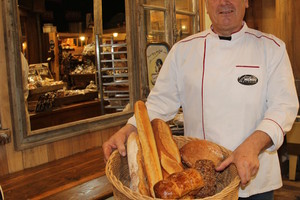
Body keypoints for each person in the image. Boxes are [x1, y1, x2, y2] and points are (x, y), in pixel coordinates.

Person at [103, 0, 299, 199]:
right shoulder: (183, 51)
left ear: (246, 1)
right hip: (199, 186)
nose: (224, 2)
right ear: (206, 4)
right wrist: (130, 128)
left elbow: (283, 107)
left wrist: (252, 145)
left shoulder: (272, 48)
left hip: (255, 184)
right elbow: (158, 103)